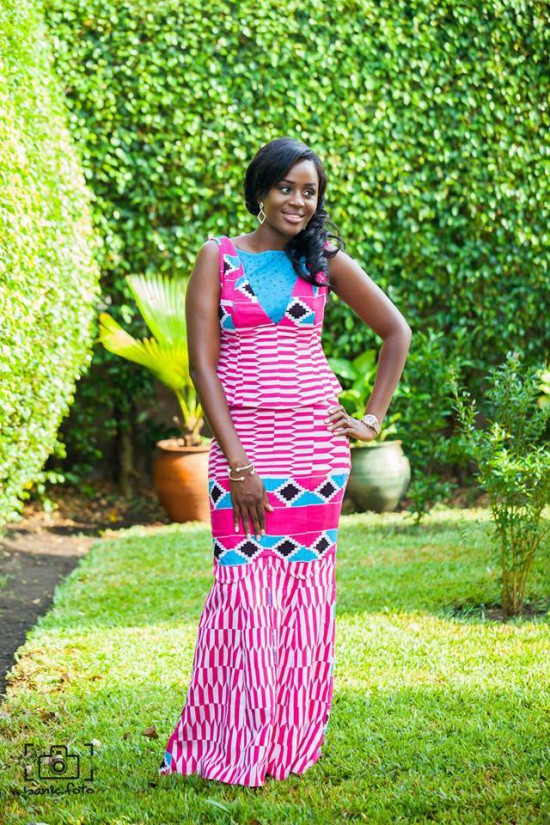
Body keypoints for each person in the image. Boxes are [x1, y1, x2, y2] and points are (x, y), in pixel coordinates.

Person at [159, 136, 412, 787]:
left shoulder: (322, 257)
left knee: (302, 602)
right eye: (286, 187)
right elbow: (203, 368)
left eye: (310, 191)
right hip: (244, 450)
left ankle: (288, 741)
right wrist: (238, 464)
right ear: (261, 190)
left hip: (315, 455)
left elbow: (396, 332)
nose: (298, 201)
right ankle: (231, 740)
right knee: (242, 595)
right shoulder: (217, 258)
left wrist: (371, 418)